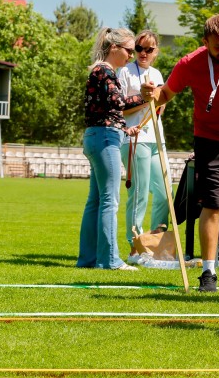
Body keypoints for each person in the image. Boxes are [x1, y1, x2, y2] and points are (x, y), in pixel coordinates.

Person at [144, 14, 219, 292]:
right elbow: (166, 94)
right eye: (217, 48)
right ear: (205, 42)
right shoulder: (190, 63)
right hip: (210, 141)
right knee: (213, 206)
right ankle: (209, 271)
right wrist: (152, 95)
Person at [76, 27, 144, 272]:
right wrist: (146, 96)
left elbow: (105, 111)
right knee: (109, 201)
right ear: (114, 47)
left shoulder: (100, 70)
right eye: (129, 50)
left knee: (95, 201)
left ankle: (88, 259)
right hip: (104, 140)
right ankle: (110, 260)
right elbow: (119, 103)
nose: (132, 55)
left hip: (98, 136)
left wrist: (125, 130)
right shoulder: (105, 70)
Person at [118, 30, 171, 265]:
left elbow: (161, 105)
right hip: (133, 138)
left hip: (156, 139)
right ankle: (135, 246)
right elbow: (119, 108)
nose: (143, 53)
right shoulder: (125, 72)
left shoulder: (157, 73)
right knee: (138, 194)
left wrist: (159, 100)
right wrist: (143, 98)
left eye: (149, 49)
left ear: (155, 52)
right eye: (139, 48)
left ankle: (156, 243)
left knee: (164, 193)